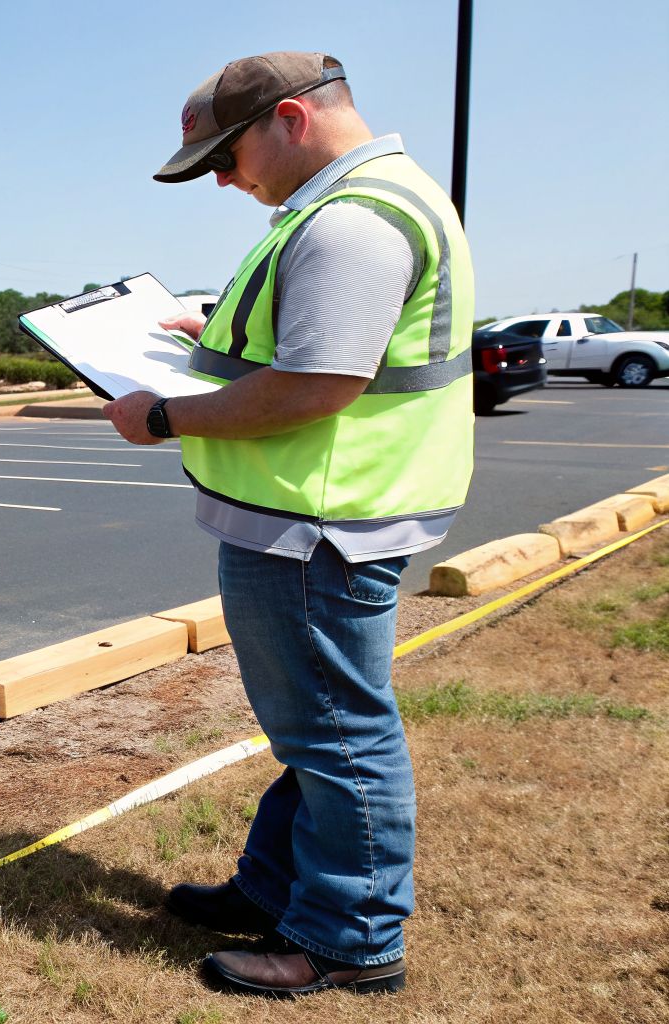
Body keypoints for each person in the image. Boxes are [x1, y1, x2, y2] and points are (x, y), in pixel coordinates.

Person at [102, 52, 475, 996]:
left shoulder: (351, 223)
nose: (225, 181)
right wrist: (212, 329)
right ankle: (277, 889)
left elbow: (315, 385)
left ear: (293, 119)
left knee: (340, 739)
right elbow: (305, 346)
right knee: (316, 731)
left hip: (320, 523)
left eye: (226, 158)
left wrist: (162, 415)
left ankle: (349, 938)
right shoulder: (353, 204)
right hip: (322, 514)